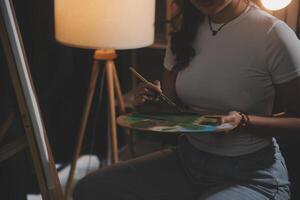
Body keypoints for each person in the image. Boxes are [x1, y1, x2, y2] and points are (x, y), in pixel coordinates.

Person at [73, 0, 300, 199]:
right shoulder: (184, 31)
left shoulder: (273, 34)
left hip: (251, 175)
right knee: (92, 188)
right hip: (188, 161)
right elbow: (174, 110)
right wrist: (151, 104)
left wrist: (243, 121)